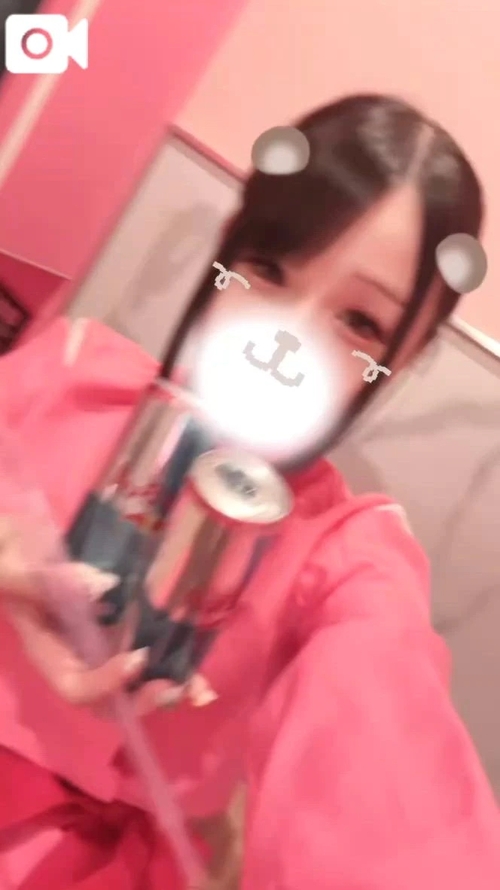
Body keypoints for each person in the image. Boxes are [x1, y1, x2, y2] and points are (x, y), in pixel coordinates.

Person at [1, 93, 500, 889]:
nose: (283, 341)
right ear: (227, 250)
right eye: (268, 270)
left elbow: (389, 788)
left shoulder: (347, 560)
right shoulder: (68, 371)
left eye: (361, 323)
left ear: (403, 361)